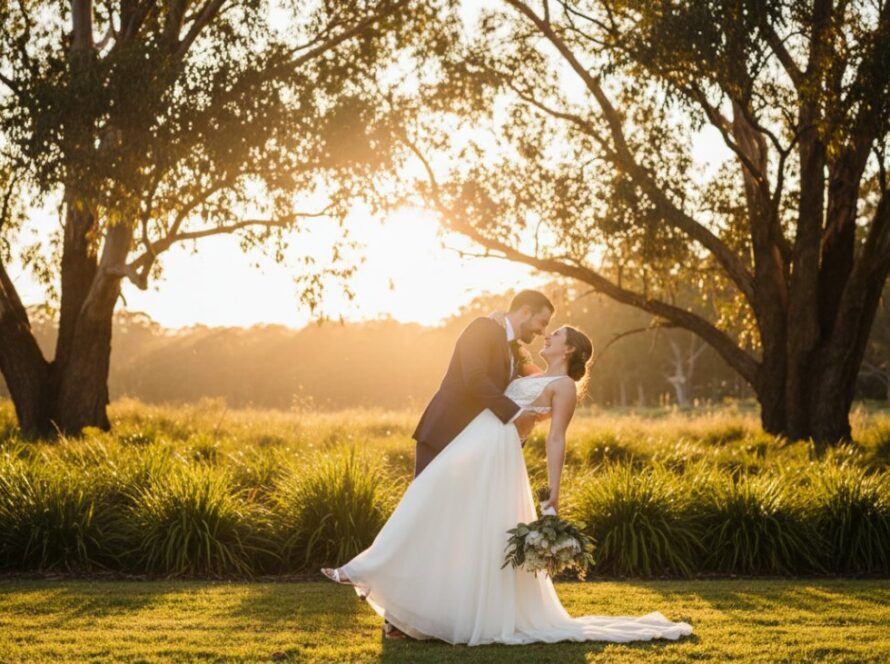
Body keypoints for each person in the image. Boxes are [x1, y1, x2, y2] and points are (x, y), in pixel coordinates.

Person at [321, 315, 693, 645]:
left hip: (495, 453)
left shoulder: (563, 387)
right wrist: (504, 326)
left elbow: (556, 438)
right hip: (473, 444)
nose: (547, 335)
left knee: (433, 505)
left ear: (571, 349)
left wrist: (553, 494)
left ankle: (363, 571)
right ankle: (398, 598)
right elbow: (503, 365)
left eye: (556, 333)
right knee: (432, 507)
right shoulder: (531, 374)